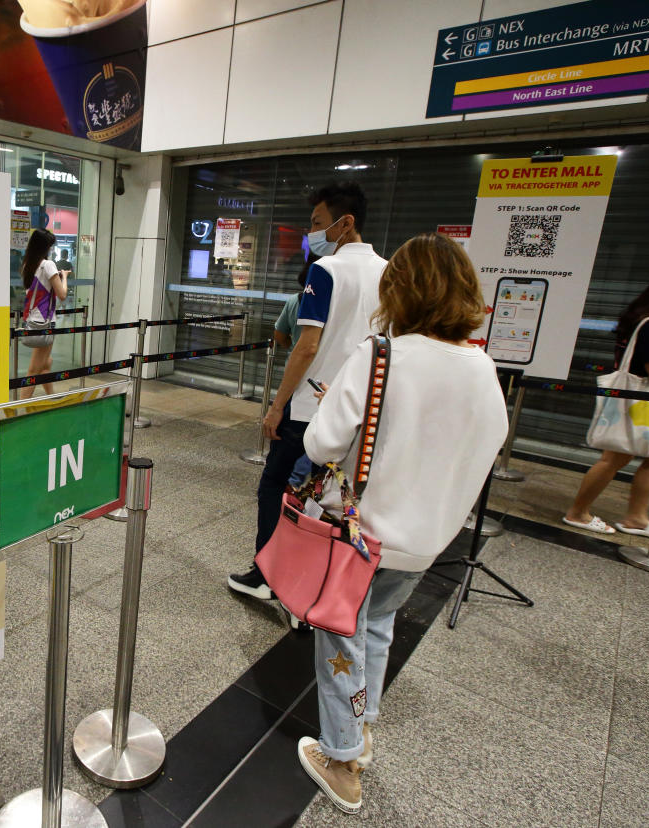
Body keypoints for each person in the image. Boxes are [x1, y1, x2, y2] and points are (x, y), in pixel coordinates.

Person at [296, 232, 508, 813]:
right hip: (426, 540)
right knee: (380, 625)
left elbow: (321, 444)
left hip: (364, 534)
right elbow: (490, 442)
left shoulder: (380, 354)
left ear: (401, 291)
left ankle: (341, 758)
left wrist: (329, 408)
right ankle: (364, 725)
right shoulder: (483, 366)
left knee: (340, 633)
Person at [229, 182, 386, 599]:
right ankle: (317, 578)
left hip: (310, 408)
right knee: (329, 497)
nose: (312, 232)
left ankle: (268, 576)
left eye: (318, 223)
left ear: (345, 222)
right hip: (359, 408)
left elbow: (307, 345)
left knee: (275, 487)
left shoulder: (326, 271)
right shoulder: (389, 271)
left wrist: (276, 406)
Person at [563, 272, 649, 535]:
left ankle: (636, 518)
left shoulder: (640, 320)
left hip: (642, 402)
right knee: (614, 458)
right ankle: (578, 513)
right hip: (638, 401)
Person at [274, 255, 319, 488]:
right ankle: (298, 478)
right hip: (323, 380)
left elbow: (280, 334)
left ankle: (291, 479)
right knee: (314, 429)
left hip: (294, 377)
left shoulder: (295, 300)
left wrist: (293, 347)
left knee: (292, 429)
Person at [18, 228, 68, 400]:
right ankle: (21, 408)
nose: (51, 249)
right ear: (44, 247)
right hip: (45, 324)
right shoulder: (48, 265)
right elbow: (62, 295)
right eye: (49, 246)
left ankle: (51, 396)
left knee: (46, 362)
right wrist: (65, 278)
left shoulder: (27, 265)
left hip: (31, 321)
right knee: (33, 370)